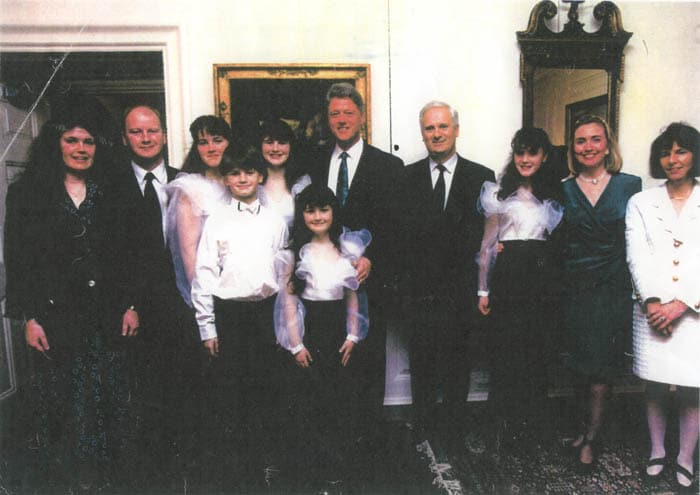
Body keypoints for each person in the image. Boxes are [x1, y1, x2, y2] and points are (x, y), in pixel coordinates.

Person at [4, 102, 139, 492]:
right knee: (66, 403)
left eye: (89, 141)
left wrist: (132, 305)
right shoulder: (27, 192)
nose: (81, 148)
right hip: (56, 319)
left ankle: (115, 481)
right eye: (72, 140)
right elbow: (20, 259)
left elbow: (132, 253)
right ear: (56, 143)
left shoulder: (115, 188)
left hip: (112, 315)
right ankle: (77, 483)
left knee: (114, 400)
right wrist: (28, 317)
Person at [395, 101, 494, 456]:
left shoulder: (481, 176)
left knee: (457, 365)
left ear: (455, 128)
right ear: (422, 133)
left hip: (460, 291)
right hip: (419, 292)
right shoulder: (405, 177)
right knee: (421, 363)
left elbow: (488, 237)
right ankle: (422, 426)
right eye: (429, 128)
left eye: (442, 127)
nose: (436, 134)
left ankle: (453, 431)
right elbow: (400, 238)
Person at [308, 82, 404, 443]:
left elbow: (397, 227)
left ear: (362, 117)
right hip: (323, 287)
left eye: (348, 112)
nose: (342, 119)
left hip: (368, 284)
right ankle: (332, 439)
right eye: (335, 114)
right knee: (329, 362)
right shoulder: (313, 160)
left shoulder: (389, 166)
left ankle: (368, 441)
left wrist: (373, 259)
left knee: (367, 362)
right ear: (327, 120)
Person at [106, 104, 195, 490]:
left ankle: (187, 468)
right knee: (144, 394)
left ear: (164, 135)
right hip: (138, 310)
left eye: (152, 131)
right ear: (125, 137)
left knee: (187, 389)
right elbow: (105, 254)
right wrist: (127, 304)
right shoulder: (109, 185)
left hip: (185, 307)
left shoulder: (186, 181)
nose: (146, 139)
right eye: (137, 132)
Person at [191, 150, 288, 491]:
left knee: (267, 391)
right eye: (234, 173)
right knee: (232, 394)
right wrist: (208, 326)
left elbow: (283, 273)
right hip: (230, 316)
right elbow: (203, 274)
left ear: (260, 176)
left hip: (266, 314)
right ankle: (238, 473)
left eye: (249, 172)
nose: (242, 179)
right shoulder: (217, 221)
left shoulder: (275, 221)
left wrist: (282, 324)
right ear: (227, 179)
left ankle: (267, 466)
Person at [275, 184, 371, 492]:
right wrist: (296, 343)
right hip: (308, 330)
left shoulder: (347, 250)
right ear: (302, 215)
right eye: (310, 210)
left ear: (333, 212)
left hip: (337, 331)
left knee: (337, 401)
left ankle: (335, 468)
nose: (317, 216)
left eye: (324, 209)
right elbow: (289, 301)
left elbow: (353, 296)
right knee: (308, 401)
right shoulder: (294, 254)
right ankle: (309, 469)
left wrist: (353, 335)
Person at [559, 114, 642, 471]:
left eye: (595, 139)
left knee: (600, 370)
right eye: (580, 141)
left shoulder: (630, 185)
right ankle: (582, 430)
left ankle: (592, 440)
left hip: (611, 289)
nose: (588, 147)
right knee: (578, 367)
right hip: (574, 290)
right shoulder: (561, 188)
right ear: (572, 148)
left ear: (607, 145)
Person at [476, 127, 563, 445]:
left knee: (536, 352)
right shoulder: (500, 195)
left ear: (544, 157)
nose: (525, 159)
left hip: (540, 279)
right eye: (520, 153)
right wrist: (483, 289)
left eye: (533, 153)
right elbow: (487, 246)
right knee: (506, 351)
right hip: (510, 278)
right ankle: (501, 427)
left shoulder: (553, 195)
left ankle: (533, 426)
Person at [625, 122, 700, 492]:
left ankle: (685, 456)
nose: (673, 160)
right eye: (666, 152)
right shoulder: (641, 202)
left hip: (694, 313)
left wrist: (683, 303)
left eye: (681, 151)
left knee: (693, 387)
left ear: (695, 155)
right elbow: (637, 254)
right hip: (650, 310)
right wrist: (654, 301)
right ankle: (657, 450)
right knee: (654, 384)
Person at [166, 115, 233, 307]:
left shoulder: (240, 182)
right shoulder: (190, 189)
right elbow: (188, 252)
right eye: (203, 142)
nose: (211, 148)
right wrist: (205, 303)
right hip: (210, 290)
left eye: (217, 141)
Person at [257, 119, 311, 228]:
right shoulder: (251, 179)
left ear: (291, 146)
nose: (275, 149)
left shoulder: (303, 181)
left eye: (282, 143)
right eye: (269, 142)